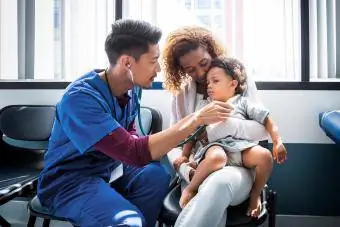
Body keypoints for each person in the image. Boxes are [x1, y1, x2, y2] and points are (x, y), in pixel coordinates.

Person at [37, 19, 232, 227]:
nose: (158, 68)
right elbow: (132, 152)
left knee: (156, 175)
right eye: (153, 61)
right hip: (70, 181)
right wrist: (196, 119)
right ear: (127, 63)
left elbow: (130, 136)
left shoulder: (132, 87)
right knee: (129, 222)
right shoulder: (80, 100)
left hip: (110, 168)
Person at [162, 26, 273, 227]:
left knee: (220, 183)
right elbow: (174, 142)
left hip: (237, 167)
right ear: (181, 70)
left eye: (204, 63)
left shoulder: (237, 80)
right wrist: (186, 170)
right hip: (199, 167)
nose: (201, 73)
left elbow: (263, 130)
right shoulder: (182, 94)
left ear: (213, 52)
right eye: (190, 70)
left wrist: (224, 126)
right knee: (212, 199)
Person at [176, 57, 288, 216]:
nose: (209, 86)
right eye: (208, 82)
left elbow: (267, 120)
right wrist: (185, 155)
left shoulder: (243, 103)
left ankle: (255, 195)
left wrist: (278, 141)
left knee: (265, 156)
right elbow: (193, 134)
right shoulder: (206, 105)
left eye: (215, 81)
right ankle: (191, 188)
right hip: (216, 147)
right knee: (217, 158)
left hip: (241, 148)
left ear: (233, 84)